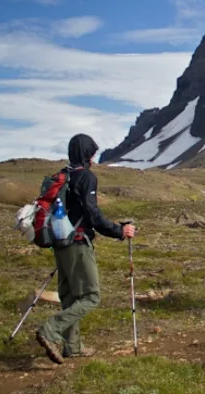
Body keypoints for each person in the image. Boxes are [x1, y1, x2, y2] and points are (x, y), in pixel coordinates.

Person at [36, 133, 136, 365]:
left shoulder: (64, 175)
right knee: (91, 296)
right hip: (78, 243)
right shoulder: (86, 177)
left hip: (60, 242)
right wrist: (119, 231)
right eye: (92, 153)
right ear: (87, 154)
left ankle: (73, 347)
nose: (94, 158)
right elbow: (92, 213)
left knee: (70, 296)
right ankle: (50, 330)